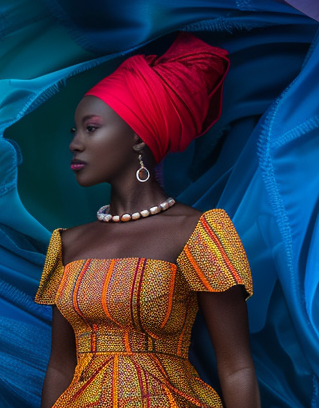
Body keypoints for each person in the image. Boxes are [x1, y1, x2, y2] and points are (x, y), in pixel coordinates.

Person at [39, 33, 257, 408]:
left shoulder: (199, 231)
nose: (75, 143)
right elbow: (60, 367)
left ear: (138, 137)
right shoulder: (68, 242)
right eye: (74, 131)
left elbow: (236, 367)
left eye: (91, 128)